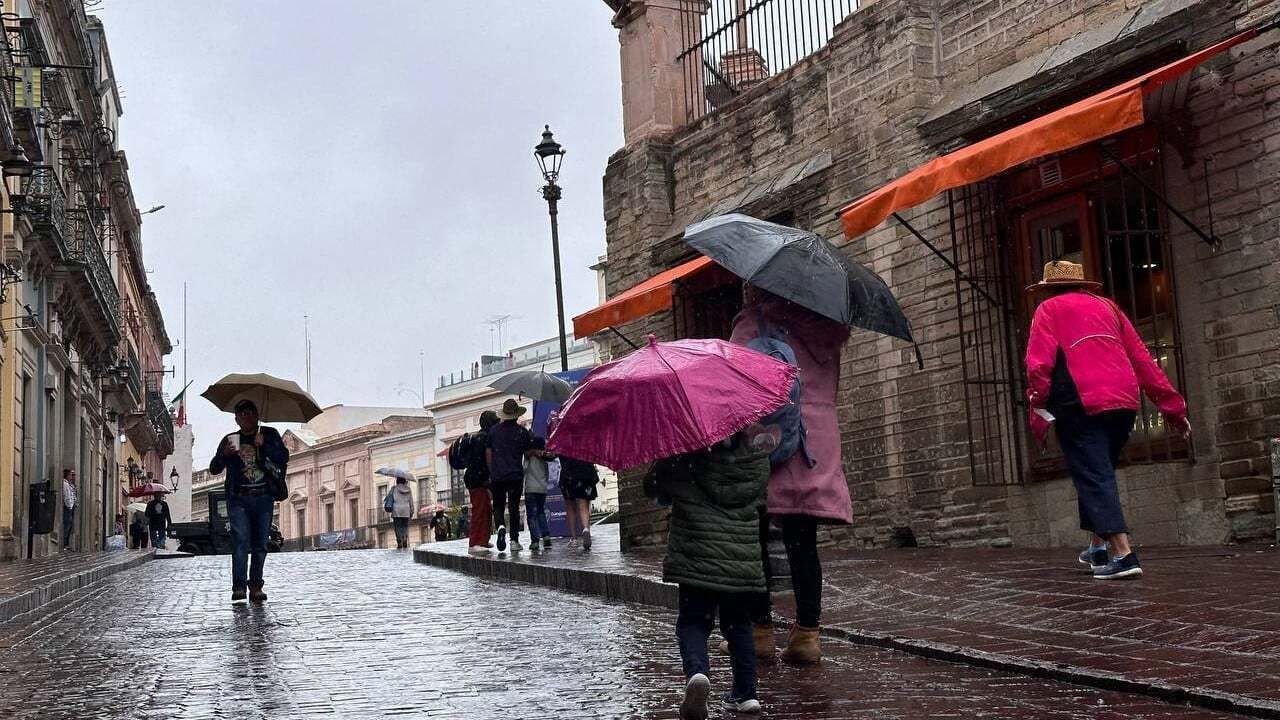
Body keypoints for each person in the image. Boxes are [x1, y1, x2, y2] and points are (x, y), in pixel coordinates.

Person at [1024, 261, 1189, 580]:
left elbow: (1038, 365)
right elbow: (1142, 358)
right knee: (1098, 468)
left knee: (1093, 472)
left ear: (1048, 288)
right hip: (1123, 401)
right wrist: (1173, 409)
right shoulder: (1108, 307)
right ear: (1082, 283)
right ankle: (1097, 547)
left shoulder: (1048, 309)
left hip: (1079, 401)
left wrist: (1038, 403)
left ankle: (1124, 554)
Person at [729, 284, 851, 664]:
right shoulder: (829, 326)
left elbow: (733, 377)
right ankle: (808, 636)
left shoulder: (756, 321)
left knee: (755, 536)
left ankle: (760, 630)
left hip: (770, 437)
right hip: (816, 439)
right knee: (803, 541)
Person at [648, 425, 772, 719]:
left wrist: (664, 456)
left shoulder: (687, 458)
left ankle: (697, 674)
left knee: (694, 622)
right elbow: (763, 502)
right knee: (739, 625)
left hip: (696, 559)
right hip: (740, 560)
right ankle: (746, 693)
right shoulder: (755, 460)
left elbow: (656, 488)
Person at [210, 398, 290, 604]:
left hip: (263, 496)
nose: (246, 417)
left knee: (260, 544)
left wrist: (264, 448)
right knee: (240, 542)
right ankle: (238, 587)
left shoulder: (268, 434)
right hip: (239, 499)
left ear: (256, 415)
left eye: (249, 413)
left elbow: (283, 457)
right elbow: (214, 468)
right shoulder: (231, 439)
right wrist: (224, 454)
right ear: (236, 419)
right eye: (241, 414)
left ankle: (255, 586)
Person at [486, 398, 533, 552]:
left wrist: (491, 469)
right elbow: (527, 453)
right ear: (516, 414)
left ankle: (500, 526)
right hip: (515, 475)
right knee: (514, 508)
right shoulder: (521, 432)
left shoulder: (493, 431)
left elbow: (488, 452)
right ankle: (514, 540)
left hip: (498, 475)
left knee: (498, 505)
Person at [464, 410, 499, 554]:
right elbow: (483, 462)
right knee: (480, 510)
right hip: (478, 480)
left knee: (485, 509)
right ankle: (475, 542)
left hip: (474, 478)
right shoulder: (485, 439)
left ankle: (483, 539)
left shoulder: (479, 436)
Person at [559, 456, 599, 551]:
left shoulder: (563, 441)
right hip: (586, 471)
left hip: (568, 473)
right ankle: (586, 528)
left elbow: (553, 454)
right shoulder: (586, 441)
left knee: (570, 507)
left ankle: (574, 538)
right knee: (584, 505)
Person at [523, 437, 552, 550]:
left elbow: (524, 469)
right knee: (541, 511)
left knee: (531, 515)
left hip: (530, 488)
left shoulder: (529, 458)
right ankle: (546, 535)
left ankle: (535, 540)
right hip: (541, 488)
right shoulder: (544, 458)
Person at [385, 477, 415, 549]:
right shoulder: (409, 489)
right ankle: (404, 538)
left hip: (396, 510)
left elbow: (388, 499)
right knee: (405, 527)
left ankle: (399, 541)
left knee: (397, 527)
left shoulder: (394, 489)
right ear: (404, 481)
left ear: (397, 481)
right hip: (406, 510)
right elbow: (411, 501)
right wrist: (412, 511)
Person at [61, 469, 76, 549]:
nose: (72, 476)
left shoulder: (70, 484)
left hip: (70, 506)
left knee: (69, 525)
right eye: (71, 475)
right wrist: (69, 506)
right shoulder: (65, 484)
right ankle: (64, 543)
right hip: (68, 507)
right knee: (67, 525)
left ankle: (66, 543)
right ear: (67, 475)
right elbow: (66, 496)